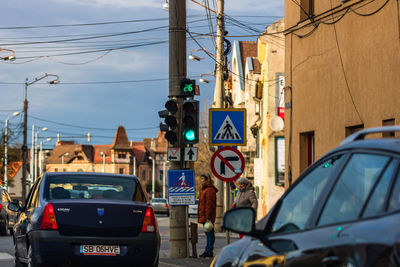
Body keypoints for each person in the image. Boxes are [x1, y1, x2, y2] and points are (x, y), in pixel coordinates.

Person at [198, 173, 218, 258]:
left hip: (207, 217)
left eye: (202, 179)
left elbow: (209, 205)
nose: (201, 181)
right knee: (208, 233)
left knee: (209, 234)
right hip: (205, 216)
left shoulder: (209, 190)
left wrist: (208, 218)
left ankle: (209, 251)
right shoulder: (205, 190)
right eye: (201, 179)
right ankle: (208, 250)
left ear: (207, 180)